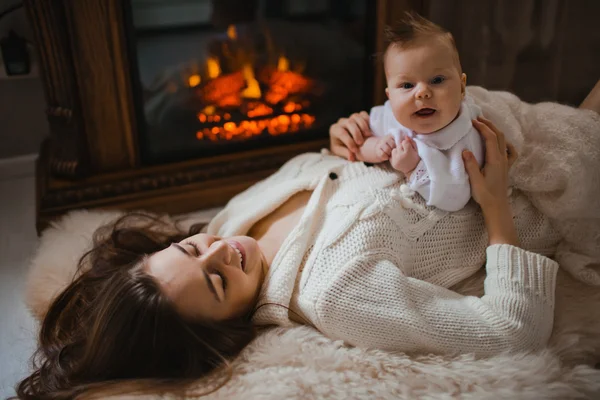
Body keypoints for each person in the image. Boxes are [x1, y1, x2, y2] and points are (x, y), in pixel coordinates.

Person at [16, 116, 563, 399]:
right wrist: (494, 205)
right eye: (216, 284)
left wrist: (351, 142)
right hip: (548, 182)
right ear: (223, 332)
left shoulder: (233, 218)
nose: (220, 252)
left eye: (190, 247)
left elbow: (328, 170)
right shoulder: (335, 291)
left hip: (467, 119)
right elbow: (511, 331)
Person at [355, 13, 484, 212]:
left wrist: (413, 167)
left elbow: (454, 197)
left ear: (461, 86)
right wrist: (377, 147)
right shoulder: (392, 114)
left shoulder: (464, 139)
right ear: (390, 96)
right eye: (407, 85)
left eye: (437, 80)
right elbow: (359, 143)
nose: (422, 92)